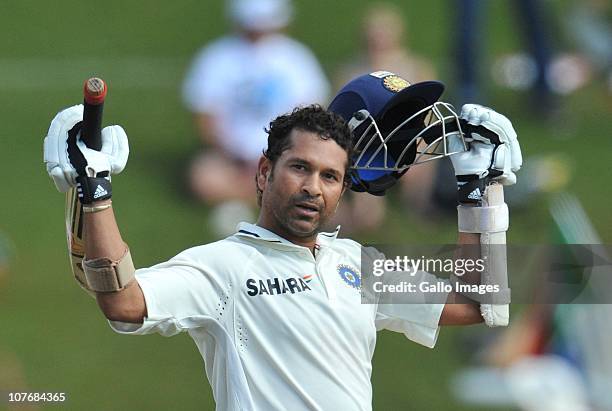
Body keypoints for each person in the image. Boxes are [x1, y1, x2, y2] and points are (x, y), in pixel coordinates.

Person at [43, 71, 522, 410]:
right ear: (264, 172)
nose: (314, 186)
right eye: (300, 168)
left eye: (330, 176)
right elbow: (123, 301)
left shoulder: (356, 265)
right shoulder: (224, 267)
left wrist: (481, 191)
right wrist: (95, 193)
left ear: (341, 189)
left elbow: (480, 302)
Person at [182, 0, 329, 234]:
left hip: (283, 156)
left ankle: (258, 193)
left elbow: (312, 115)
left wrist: (278, 156)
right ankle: (274, 196)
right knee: (204, 177)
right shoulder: (217, 58)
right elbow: (205, 119)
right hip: (231, 158)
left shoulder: (296, 58)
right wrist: (234, 156)